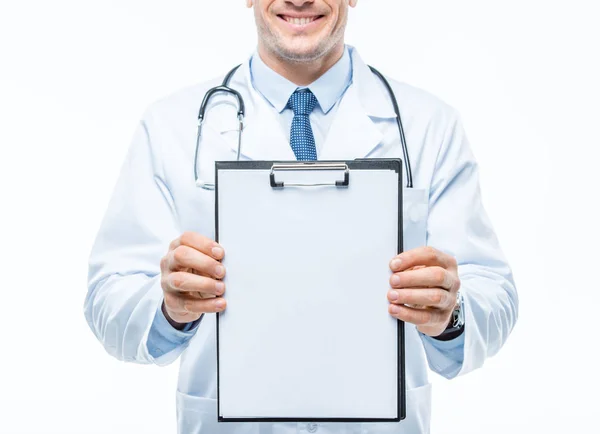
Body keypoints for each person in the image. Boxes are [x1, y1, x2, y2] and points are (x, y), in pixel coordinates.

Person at [85, 0, 518, 432]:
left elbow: (495, 294)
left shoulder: (429, 126)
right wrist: (169, 307)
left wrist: (450, 313)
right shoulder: (171, 126)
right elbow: (108, 296)